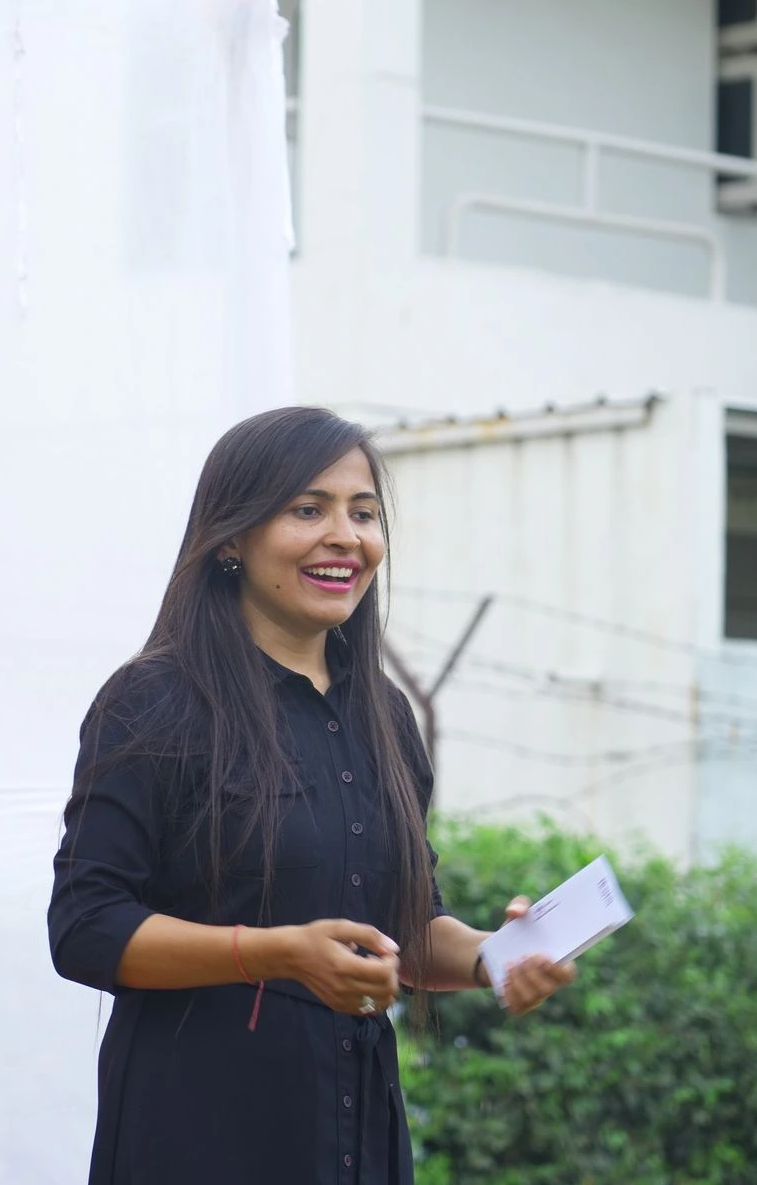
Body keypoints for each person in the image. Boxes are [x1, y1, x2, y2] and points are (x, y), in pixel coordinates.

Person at [48, 406, 577, 1185]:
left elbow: (405, 927)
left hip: (355, 1135)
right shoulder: (153, 700)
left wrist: (498, 957)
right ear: (230, 538)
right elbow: (85, 928)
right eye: (308, 509)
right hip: (195, 1136)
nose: (346, 536)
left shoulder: (385, 716)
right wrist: (276, 954)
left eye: (363, 513)